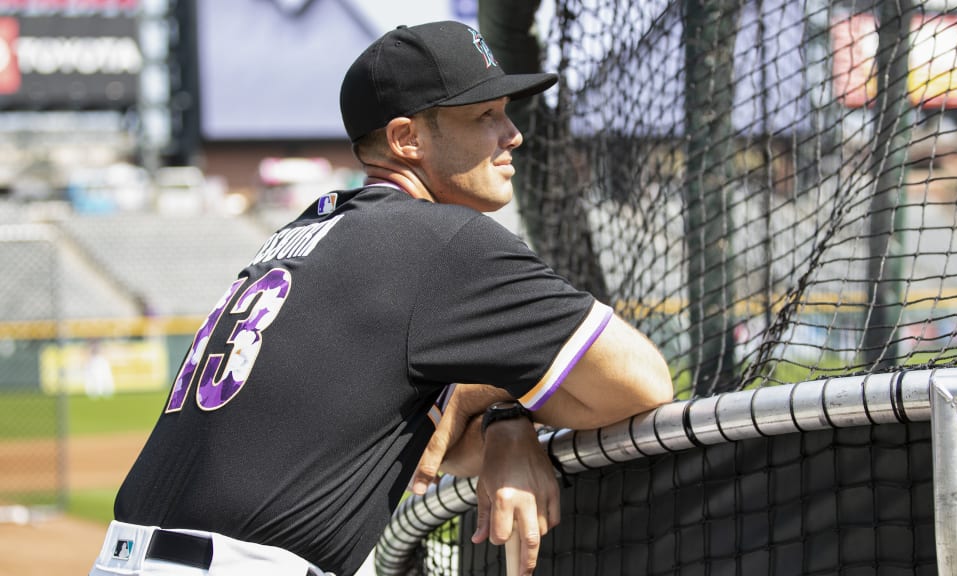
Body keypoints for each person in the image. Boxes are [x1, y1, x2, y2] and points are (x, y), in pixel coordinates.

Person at [89, 20, 673, 576]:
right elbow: (642, 383)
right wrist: (501, 398)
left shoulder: (306, 234)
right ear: (406, 138)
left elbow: (420, 443)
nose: (512, 134)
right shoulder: (442, 242)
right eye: (485, 116)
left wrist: (505, 420)